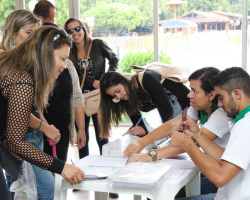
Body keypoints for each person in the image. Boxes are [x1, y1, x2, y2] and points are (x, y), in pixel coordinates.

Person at [0, 26, 85, 200]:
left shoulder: (16, 68)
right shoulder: (22, 80)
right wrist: (61, 167)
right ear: (45, 53)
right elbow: (16, 142)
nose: (64, 65)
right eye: (62, 58)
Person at [123, 67, 231, 195]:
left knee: (175, 192)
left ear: (211, 95)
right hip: (211, 167)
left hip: (225, 176)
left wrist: (149, 155)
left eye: (194, 91)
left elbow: (188, 144)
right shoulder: (199, 107)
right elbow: (172, 125)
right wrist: (141, 143)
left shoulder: (221, 115)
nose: (189, 95)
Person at [0, 10, 60, 200]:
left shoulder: (24, 59)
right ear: (13, 33)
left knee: (22, 189)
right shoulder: (1, 59)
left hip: (29, 136)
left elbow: (34, 104)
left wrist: (45, 126)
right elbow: (13, 111)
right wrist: (45, 127)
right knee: (46, 189)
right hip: (15, 139)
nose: (33, 39)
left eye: (35, 34)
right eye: (29, 33)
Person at [172, 67, 250, 200]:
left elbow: (220, 177)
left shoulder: (247, 125)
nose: (219, 104)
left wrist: (187, 143)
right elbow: (228, 158)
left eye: (221, 98)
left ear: (237, 94)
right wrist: (197, 135)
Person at [64, 18, 119, 158]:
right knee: (82, 137)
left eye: (77, 28)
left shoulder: (97, 44)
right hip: (80, 100)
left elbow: (114, 58)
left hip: (98, 96)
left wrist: (105, 79)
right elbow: (71, 75)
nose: (75, 33)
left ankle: (107, 164)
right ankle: (84, 169)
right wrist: (90, 81)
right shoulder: (69, 52)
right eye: (70, 31)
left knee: (102, 136)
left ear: (83, 29)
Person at [42, 22, 86, 162]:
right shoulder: (36, 71)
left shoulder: (69, 67)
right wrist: (46, 128)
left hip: (61, 130)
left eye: (66, 59)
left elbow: (77, 98)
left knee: (58, 172)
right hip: (40, 131)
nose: (64, 64)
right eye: (62, 59)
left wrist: (81, 129)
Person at [99, 70, 190, 139]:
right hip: (168, 115)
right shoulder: (124, 96)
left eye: (118, 91)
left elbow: (166, 110)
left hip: (182, 106)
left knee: (178, 143)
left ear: (123, 82)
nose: (118, 96)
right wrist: (132, 131)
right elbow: (137, 121)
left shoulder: (147, 79)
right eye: (114, 96)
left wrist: (144, 129)